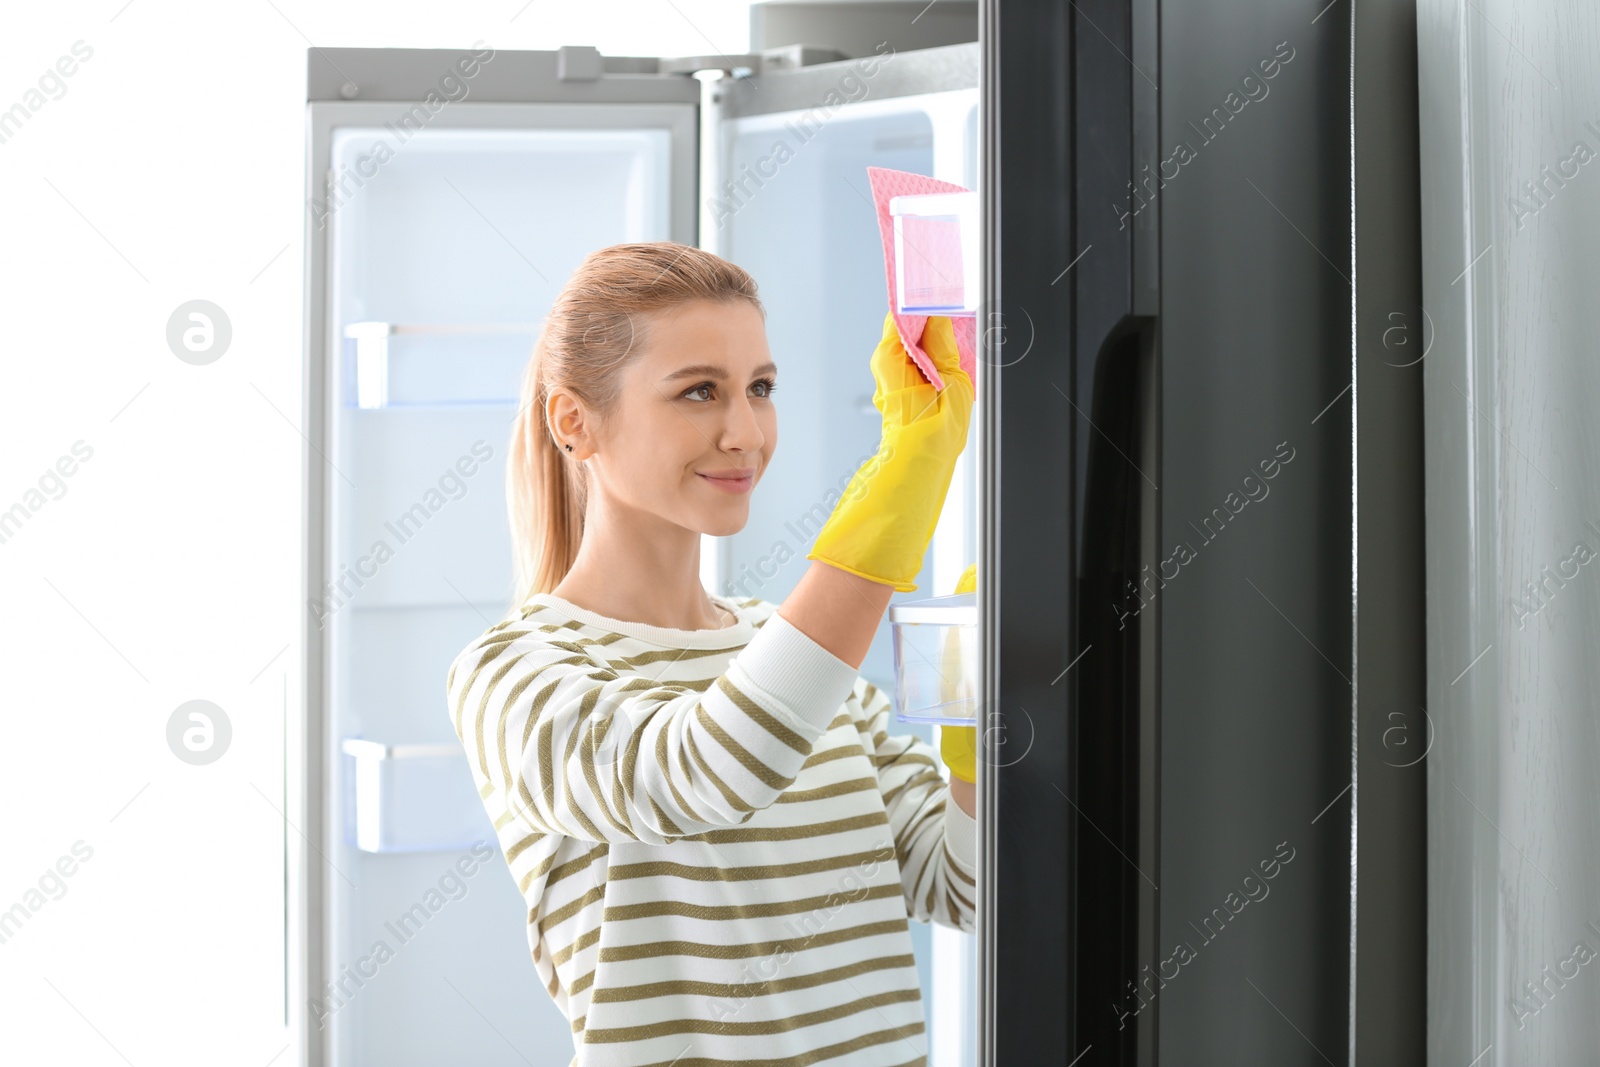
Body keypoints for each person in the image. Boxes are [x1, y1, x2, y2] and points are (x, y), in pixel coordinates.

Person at [445, 240, 977, 1067]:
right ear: (573, 421)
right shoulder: (514, 671)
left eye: (759, 389)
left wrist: (979, 740)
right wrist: (891, 504)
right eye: (700, 391)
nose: (745, 433)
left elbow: (965, 888)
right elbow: (702, 769)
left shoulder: (795, 660)